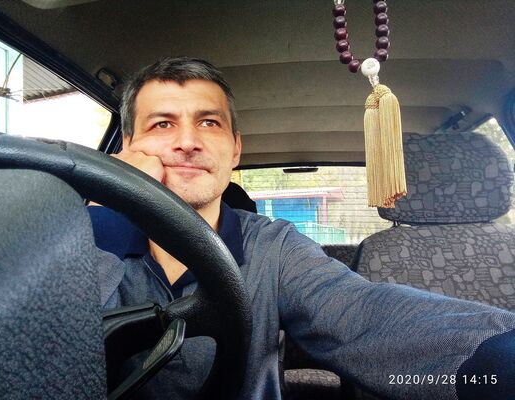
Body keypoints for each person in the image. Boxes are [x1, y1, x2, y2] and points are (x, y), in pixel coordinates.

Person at [88, 57, 515, 400]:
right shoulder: (81, 237)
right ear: (129, 146)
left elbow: (361, 314)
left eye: (209, 122)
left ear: (235, 149)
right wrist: (105, 203)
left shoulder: (274, 246)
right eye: (162, 123)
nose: (187, 141)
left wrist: (496, 359)